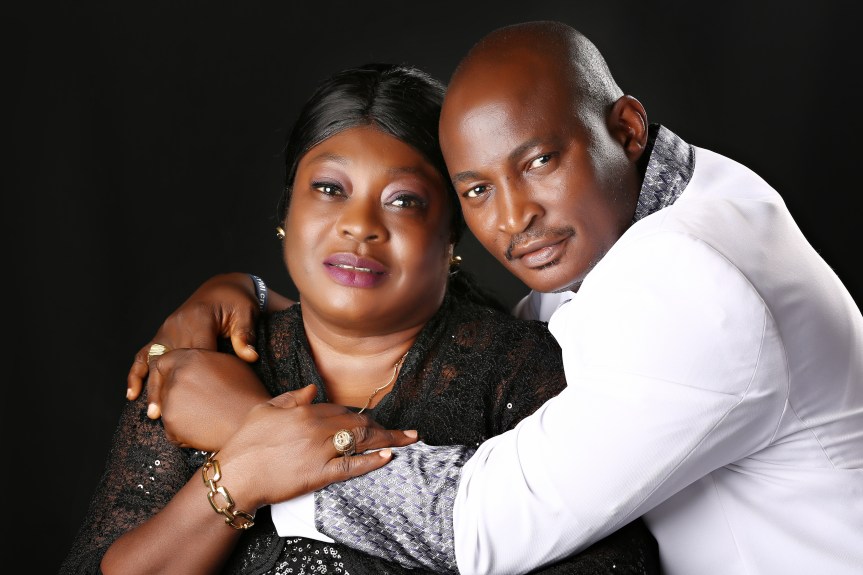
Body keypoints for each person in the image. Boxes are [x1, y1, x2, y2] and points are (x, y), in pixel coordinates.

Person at [125, 19, 863, 575]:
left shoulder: (696, 288)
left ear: (626, 128)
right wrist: (249, 295)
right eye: (478, 189)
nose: (512, 219)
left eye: (539, 161)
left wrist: (249, 429)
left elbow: (474, 526)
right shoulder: (661, 216)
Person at [60, 62, 661, 575]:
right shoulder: (203, 368)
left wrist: (264, 442)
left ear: (452, 235)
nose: (359, 225)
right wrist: (239, 477)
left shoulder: (524, 372)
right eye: (329, 189)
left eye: (403, 200)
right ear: (286, 212)